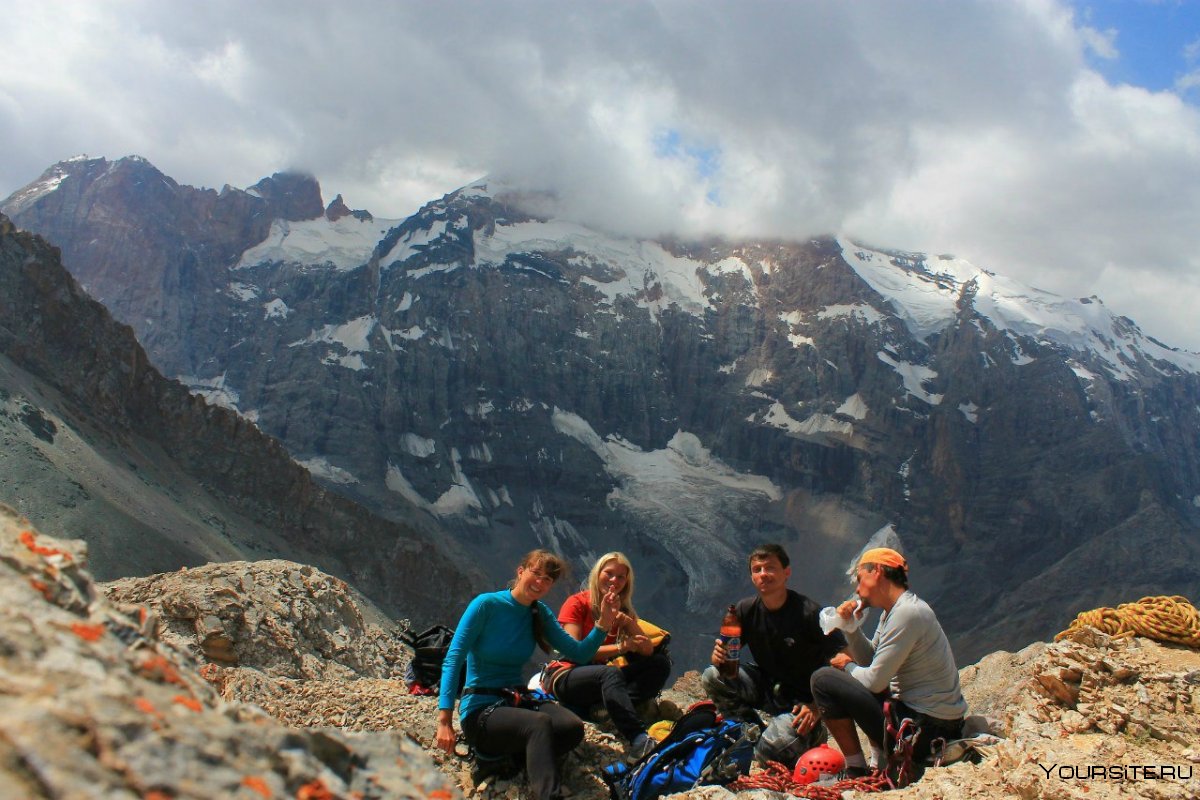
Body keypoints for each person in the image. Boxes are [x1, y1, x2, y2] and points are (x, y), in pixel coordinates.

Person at [436, 549, 620, 800]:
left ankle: (513, 759)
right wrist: (444, 720)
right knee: (539, 725)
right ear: (520, 571)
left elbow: (578, 653)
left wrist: (603, 625)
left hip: (515, 700)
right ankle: (548, 794)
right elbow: (453, 658)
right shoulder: (486, 605)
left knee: (571, 728)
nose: (540, 582)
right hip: (480, 710)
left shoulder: (538, 612)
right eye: (536, 573)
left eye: (548, 579)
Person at [810, 547, 967, 776]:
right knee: (843, 677)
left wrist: (847, 665)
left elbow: (874, 681)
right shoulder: (895, 611)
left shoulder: (906, 613)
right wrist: (851, 628)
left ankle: (856, 768)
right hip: (934, 724)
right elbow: (873, 660)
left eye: (860, 578)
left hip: (925, 729)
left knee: (822, 680)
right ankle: (871, 762)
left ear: (878, 572)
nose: (857, 588)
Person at [702, 543, 847, 760]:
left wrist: (817, 707)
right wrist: (718, 659)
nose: (763, 575)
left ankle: (810, 735)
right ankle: (748, 731)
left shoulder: (808, 613)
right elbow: (728, 657)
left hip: (803, 704)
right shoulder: (745, 610)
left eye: (770, 568)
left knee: (768, 752)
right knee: (713, 676)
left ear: (786, 572)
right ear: (752, 576)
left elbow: (845, 658)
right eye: (757, 570)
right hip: (769, 688)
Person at [553, 552, 671, 760]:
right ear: (597, 574)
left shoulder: (621, 608)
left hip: (601, 679)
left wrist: (629, 623)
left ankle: (605, 710)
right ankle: (638, 738)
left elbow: (647, 651)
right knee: (609, 674)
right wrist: (621, 648)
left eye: (620, 577)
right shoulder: (577, 603)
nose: (614, 580)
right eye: (609, 574)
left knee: (659, 664)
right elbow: (575, 652)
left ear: (627, 582)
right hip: (567, 675)